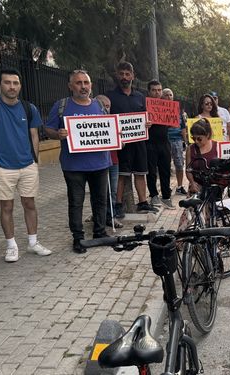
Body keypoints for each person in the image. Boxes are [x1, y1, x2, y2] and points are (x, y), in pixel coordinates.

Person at [0, 68, 52, 262]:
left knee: (30, 203)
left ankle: (33, 242)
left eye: (15, 83)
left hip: (27, 165)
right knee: (7, 207)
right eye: (7, 82)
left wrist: (35, 161)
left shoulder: (29, 108)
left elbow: (35, 135)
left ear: (20, 85)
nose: (12, 86)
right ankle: (11, 246)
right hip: (3, 166)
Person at [44, 69, 111, 254]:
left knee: (100, 200)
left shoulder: (100, 106)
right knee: (76, 202)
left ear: (91, 85)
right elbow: (48, 129)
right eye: (79, 83)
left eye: (86, 83)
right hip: (73, 166)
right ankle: (78, 238)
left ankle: (100, 232)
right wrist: (58, 134)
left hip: (100, 163)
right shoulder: (62, 106)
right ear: (70, 86)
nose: (83, 86)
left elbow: (110, 128)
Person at [106, 62, 154, 215]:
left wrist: (148, 124)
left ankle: (143, 202)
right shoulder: (110, 96)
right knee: (121, 174)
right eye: (122, 74)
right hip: (122, 144)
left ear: (133, 76)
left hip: (139, 142)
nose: (124, 77)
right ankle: (118, 204)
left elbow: (146, 117)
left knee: (140, 173)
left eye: (128, 74)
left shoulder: (140, 97)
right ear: (117, 75)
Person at [94, 94, 123, 229]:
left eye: (108, 106)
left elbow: (122, 145)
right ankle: (99, 217)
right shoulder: (91, 124)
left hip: (113, 161)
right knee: (99, 192)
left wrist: (119, 138)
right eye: (103, 106)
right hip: (98, 162)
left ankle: (110, 217)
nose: (106, 109)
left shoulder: (114, 122)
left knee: (112, 190)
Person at [146, 80, 174, 209]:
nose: (157, 93)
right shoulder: (145, 105)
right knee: (151, 172)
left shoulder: (167, 106)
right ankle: (153, 195)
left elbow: (171, 122)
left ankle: (166, 196)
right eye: (154, 90)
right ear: (149, 91)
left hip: (164, 143)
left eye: (159, 90)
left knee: (166, 171)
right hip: (150, 143)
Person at [163, 88, 188, 195]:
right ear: (162, 97)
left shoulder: (178, 110)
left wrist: (185, 142)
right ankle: (166, 186)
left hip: (177, 140)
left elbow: (183, 127)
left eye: (170, 95)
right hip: (165, 140)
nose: (169, 97)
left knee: (179, 164)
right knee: (165, 165)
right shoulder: (159, 110)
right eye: (166, 95)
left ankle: (179, 186)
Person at [185, 118, 218, 193]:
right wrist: (192, 182)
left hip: (214, 188)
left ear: (208, 135)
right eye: (193, 138)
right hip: (196, 187)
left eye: (199, 139)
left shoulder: (217, 146)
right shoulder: (190, 149)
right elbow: (188, 170)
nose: (196, 141)